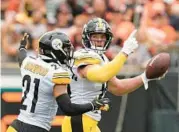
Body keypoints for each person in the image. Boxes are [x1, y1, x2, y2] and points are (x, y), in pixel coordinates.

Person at [61, 18, 166, 132]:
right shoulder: (83, 55)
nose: (99, 40)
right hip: (79, 119)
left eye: (102, 36)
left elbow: (118, 87)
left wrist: (145, 77)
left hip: (90, 121)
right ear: (87, 37)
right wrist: (124, 53)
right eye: (95, 36)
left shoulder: (103, 59)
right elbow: (100, 76)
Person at [6, 31, 110, 132]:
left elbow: (21, 56)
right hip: (37, 128)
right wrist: (93, 105)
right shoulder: (57, 73)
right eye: (66, 49)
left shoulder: (28, 62)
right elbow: (68, 108)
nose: (68, 52)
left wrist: (22, 46)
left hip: (16, 126)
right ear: (56, 50)